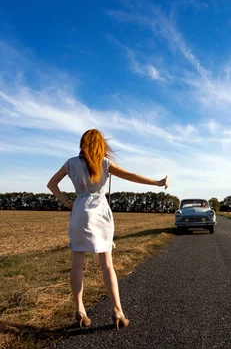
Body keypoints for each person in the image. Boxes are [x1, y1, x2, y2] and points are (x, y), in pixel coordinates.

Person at [47, 129, 168, 330]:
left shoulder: (71, 163)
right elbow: (131, 176)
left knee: (77, 264)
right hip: (99, 212)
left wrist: (68, 203)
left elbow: (51, 184)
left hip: (79, 211)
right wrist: (157, 182)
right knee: (107, 265)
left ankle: (80, 309)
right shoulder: (104, 163)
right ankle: (118, 310)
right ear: (100, 145)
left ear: (82, 144)